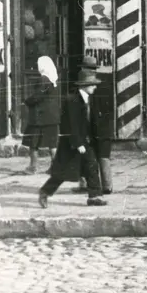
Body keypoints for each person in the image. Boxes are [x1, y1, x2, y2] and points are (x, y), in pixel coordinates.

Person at [38, 69, 107, 208]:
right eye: (92, 84)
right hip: (72, 142)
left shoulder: (89, 99)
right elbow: (70, 124)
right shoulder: (72, 100)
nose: (95, 87)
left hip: (86, 141)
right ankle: (45, 192)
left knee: (91, 166)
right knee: (63, 172)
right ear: (84, 85)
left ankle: (94, 196)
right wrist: (78, 143)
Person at [74, 55, 113, 194]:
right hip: (103, 124)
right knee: (103, 155)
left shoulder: (87, 82)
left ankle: (87, 184)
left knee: (91, 156)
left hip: (95, 125)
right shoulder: (104, 81)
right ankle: (107, 185)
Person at [20, 56, 61, 174]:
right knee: (52, 144)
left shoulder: (44, 79)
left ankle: (32, 167)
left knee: (33, 142)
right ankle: (56, 168)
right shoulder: (53, 80)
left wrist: (26, 101)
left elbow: (38, 96)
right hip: (52, 117)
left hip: (40, 117)